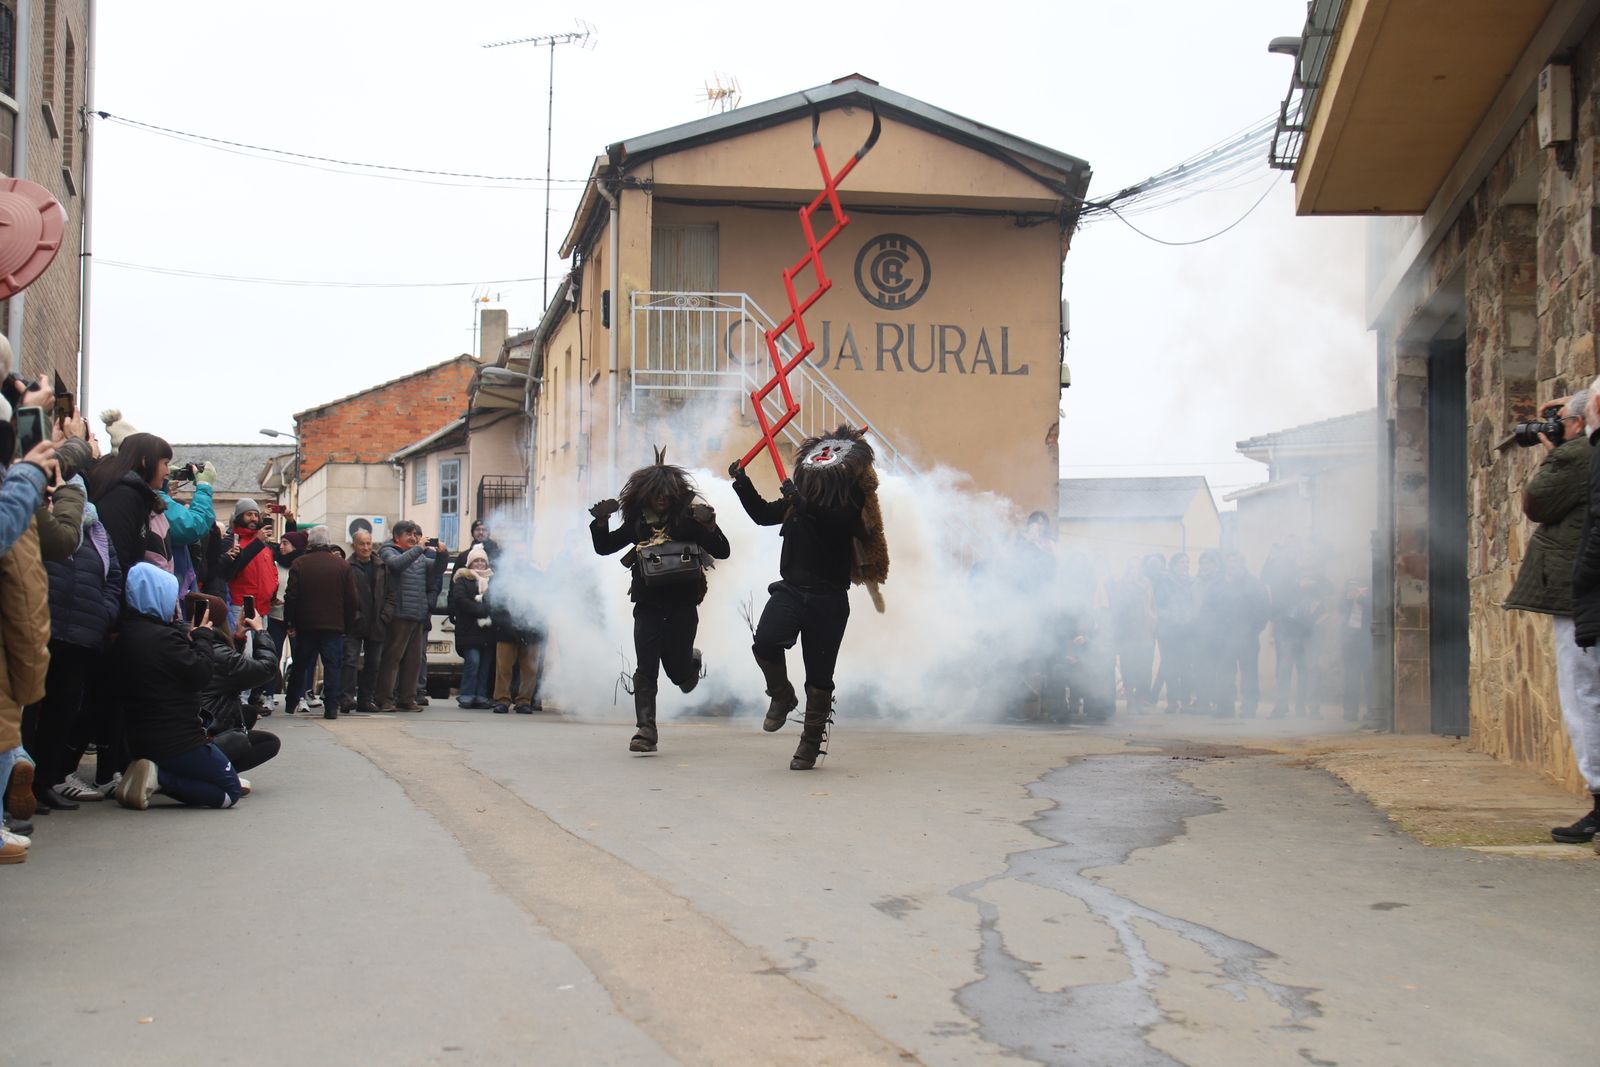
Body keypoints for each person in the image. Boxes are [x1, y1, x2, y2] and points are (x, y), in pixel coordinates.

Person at [728, 425, 888, 770]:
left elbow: (837, 524)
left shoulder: (851, 503)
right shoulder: (794, 503)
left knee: (819, 677)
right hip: (791, 590)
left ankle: (811, 743)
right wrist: (741, 482)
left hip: (829, 599)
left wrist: (802, 503)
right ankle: (782, 695)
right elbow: (761, 515)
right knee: (765, 642)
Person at [591, 450, 731, 752]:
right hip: (648, 605)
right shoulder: (638, 524)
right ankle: (645, 730)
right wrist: (601, 521)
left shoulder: (689, 522)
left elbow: (723, 551)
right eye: (656, 495)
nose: (662, 500)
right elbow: (604, 548)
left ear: (676, 494)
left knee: (678, 671)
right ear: (646, 496)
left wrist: (710, 527)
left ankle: (690, 663)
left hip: (683, 606)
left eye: (666, 494)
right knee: (646, 666)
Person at [109, 564, 244, 810]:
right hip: (178, 740)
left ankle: (150, 775)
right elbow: (201, 675)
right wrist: (203, 636)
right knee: (229, 792)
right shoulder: (163, 639)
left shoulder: (126, 636)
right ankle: (157, 778)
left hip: (139, 737)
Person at [22, 488, 122, 810]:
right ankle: (19, 787)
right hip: (42, 628)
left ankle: (46, 782)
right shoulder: (43, 521)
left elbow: (113, 578)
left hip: (82, 635)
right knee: (29, 711)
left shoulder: (97, 532)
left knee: (61, 712)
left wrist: (103, 613)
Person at [1538, 387, 1600, 842]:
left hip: (1585, 596)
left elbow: (1538, 501)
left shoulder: (1578, 455)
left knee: (1584, 697)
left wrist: (1556, 451)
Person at [194, 593, 282, 774]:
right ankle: (220, 771)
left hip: (199, 716)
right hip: (202, 728)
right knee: (269, 742)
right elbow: (265, 669)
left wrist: (239, 639)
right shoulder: (215, 652)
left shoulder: (188, 641)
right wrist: (260, 631)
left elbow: (231, 670)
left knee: (248, 713)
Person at [284, 526, 359, 720]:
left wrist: (290, 621)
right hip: (333, 626)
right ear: (328, 542)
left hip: (306, 625)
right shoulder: (342, 566)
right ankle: (331, 707)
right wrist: (348, 625)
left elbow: (291, 596)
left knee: (300, 665)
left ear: (310, 543)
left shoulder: (299, 563)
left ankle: (291, 702)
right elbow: (351, 599)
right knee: (333, 666)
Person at [85, 431, 175, 577]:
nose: (167, 471)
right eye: (165, 463)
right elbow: (120, 557)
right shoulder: (123, 496)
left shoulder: (136, 494)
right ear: (145, 461)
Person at [374, 521, 438, 712]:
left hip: (417, 613)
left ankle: (407, 699)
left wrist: (442, 555)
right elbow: (396, 565)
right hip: (398, 613)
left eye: (415, 534)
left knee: (414, 660)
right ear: (397, 537)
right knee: (392, 658)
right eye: (408, 534)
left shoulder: (418, 554)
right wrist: (419, 549)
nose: (413, 538)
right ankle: (385, 698)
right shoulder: (388, 551)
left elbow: (434, 569)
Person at [487, 546, 544, 714]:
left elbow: (543, 603)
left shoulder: (537, 577)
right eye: (516, 553)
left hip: (531, 630)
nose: (520, 557)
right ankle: (502, 700)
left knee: (530, 669)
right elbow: (493, 602)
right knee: (503, 668)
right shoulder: (501, 578)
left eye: (523, 553)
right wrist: (504, 623)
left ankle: (524, 701)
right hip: (506, 629)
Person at [1271, 561, 1329, 718]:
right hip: (1289, 635)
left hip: (1310, 637)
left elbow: (1324, 613)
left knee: (1311, 671)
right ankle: (1280, 707)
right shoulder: (1288, 589)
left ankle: (1311, 708)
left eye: (1309, 575)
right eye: (1304, 574)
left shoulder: (1319, 590)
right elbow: (1277, 609)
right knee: (1284, 671)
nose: (1307, 578)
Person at [341, 526, 389, 713]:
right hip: (355, 622)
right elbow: (344, 595)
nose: (366, 547)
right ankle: (346, 698)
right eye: (362, 544)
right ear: (354, 545)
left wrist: (385, 615)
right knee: (350, 661)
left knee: (373, 663)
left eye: (369, 543)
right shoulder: (347, 566)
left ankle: (366, 699)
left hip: (377, 621)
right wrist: (354, 615)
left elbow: (391, 594)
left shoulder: (381, 566)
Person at [1220, 551, 1270, 718]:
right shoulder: (1221, 584)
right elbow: (1211, 608)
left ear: (1243, 564)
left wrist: (1252, 630)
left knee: (1249, 673)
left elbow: (1263, 611)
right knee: (1226, 672)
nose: (1232, 565)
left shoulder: (1254, 584)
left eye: (1236, 562)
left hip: (1248, 638)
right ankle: (1226, 705)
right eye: (1230, 562)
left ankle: (1249, 706)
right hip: (1226, 637)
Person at [449, 544, 498, 709]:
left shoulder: (493, 580)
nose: (479, 564)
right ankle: (467, 694)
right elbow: (461, 600)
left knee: (485, 665)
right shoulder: (462, 579)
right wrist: (482, 610)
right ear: (470, 563)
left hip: (488, 631)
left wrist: (487, 609)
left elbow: (497, 601)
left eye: (482, 561)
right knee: (473, 662)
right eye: (476, 561)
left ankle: (481, 696)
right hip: (469, 630)